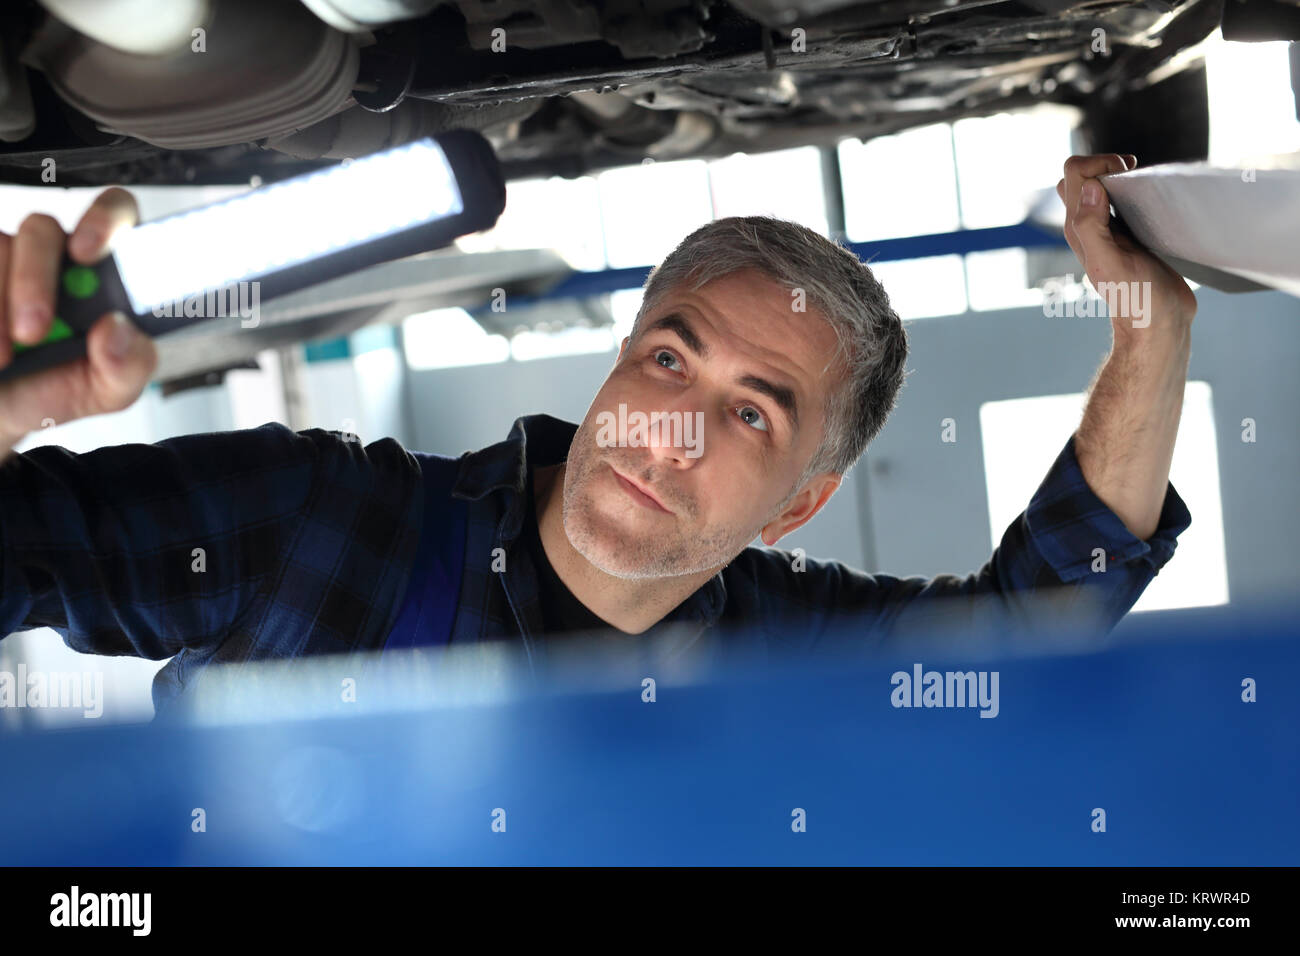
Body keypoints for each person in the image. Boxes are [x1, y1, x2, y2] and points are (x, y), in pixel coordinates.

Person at [0, 154, 1195, 715]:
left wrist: (1147, 334)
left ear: (796, 505)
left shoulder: (788, 655)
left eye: (746, 412)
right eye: (667, 358)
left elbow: (1026, 629)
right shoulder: (327, 521)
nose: (667, 425)